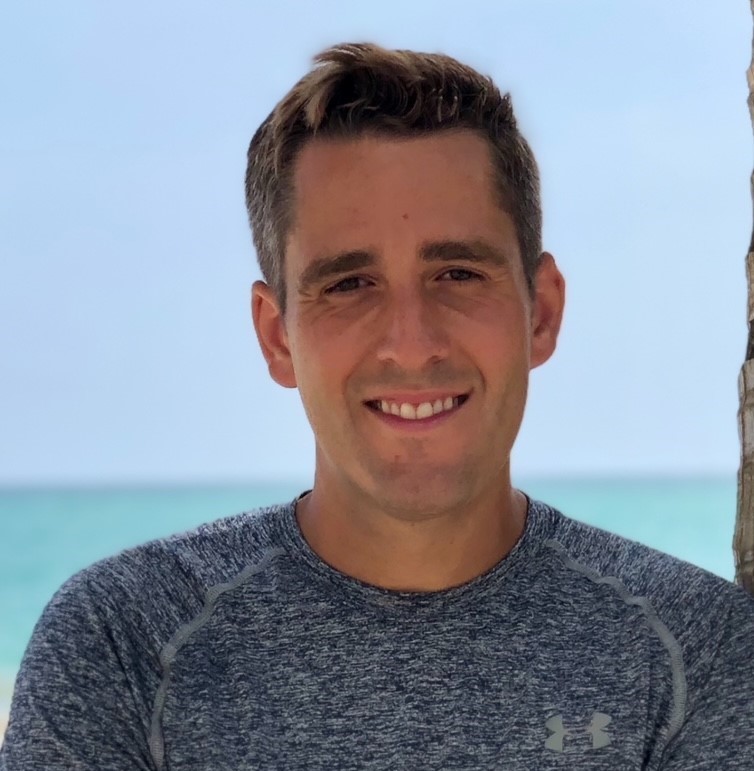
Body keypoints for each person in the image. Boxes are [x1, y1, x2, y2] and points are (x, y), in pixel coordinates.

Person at [2, 41, 753, 770]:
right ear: (277, 336)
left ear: (542, 313)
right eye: (349, 285)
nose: (411, 344)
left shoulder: (694, 657)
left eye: (457, 273)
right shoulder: (122, 645)